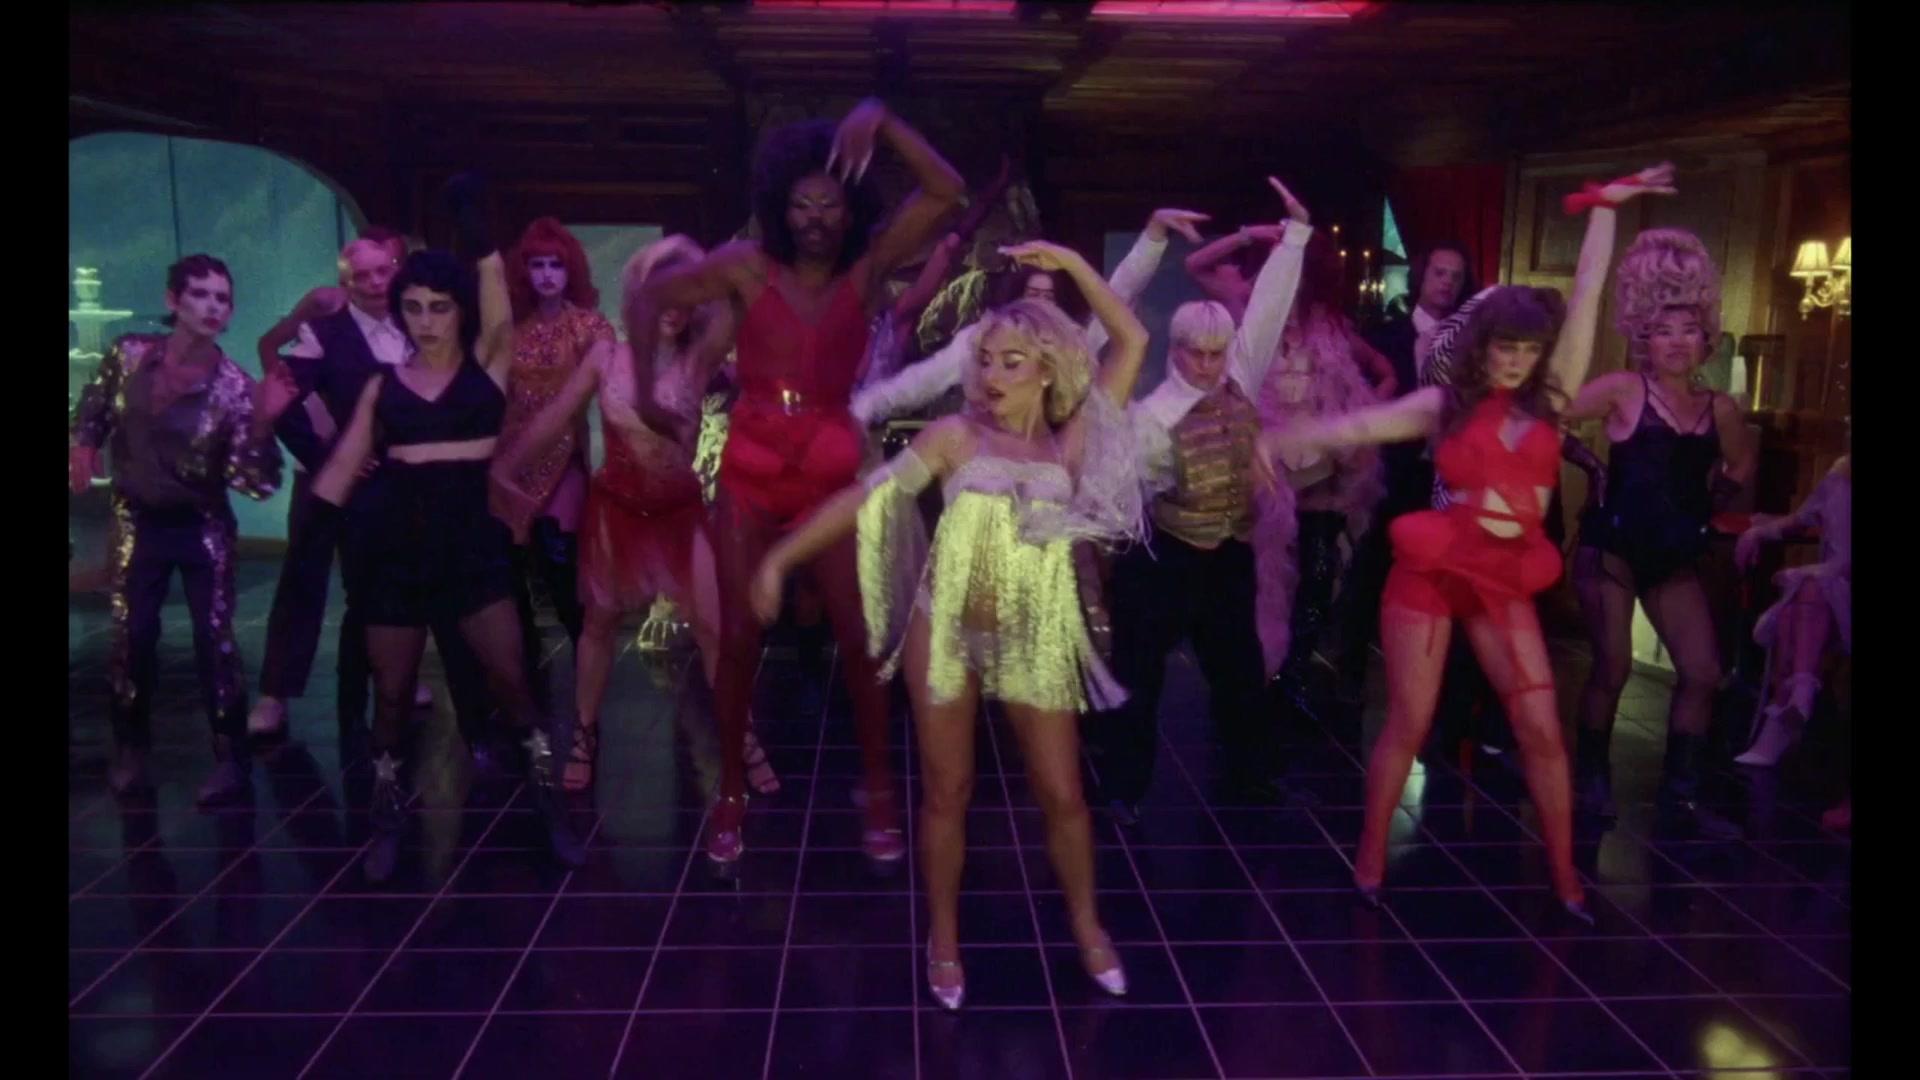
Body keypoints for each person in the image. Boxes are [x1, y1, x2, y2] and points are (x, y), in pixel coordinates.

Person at [1261, 163, 1676, 922]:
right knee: (1410, 721)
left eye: (1527, 349)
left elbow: (1587, 296)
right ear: (1482, 348)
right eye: (1504, 348)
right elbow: (1353, 427)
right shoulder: (1441, 405)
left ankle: (1567, 879)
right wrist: (1275, 439)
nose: (1515, 360)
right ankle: (1370, 860)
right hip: (1433, 569)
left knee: (1541, 728)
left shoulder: (1551, 401)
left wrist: (1604, 211)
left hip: (1503, 573)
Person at [749, 238, 1149, 1009]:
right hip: (946, 631)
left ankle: (1088, 926)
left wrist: (1068, 264)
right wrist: (780, 558)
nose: (991, 375)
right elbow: (863, 499)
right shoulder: (953, 437)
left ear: (1047, 369)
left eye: (1011, 362)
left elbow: (1131, 339)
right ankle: (942, 935)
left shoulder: (1073, 440)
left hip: (1034, 631)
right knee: (947, 791)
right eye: (985, 359)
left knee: (1063, 794)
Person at [624, 100, 964, 866]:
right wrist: (645, 393)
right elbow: (649, 298)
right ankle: (731, 794)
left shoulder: (868, 268)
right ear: (780, 205)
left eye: (829, 204)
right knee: (739, 640)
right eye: (802, 204)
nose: (814, 218)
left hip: (830, 470)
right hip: (750, 468)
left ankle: (880, 791)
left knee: (859, 637)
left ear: (851, 208)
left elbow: (947, 192)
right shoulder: (748, 267)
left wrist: (882, 122)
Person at [310, 178, 586, 883]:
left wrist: (473, 224)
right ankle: (386, 819)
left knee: (514, 684)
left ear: (459, 310)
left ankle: (549, 808)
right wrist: (312, 539)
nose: (426, 321)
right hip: (393, 557)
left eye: (438, 307)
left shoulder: (487, 369)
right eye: (412, 307)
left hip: (471, 555)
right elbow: (337, 476)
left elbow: (496, 304)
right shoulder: (383, 385)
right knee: (392, 697)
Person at [493, 237, 779, 795]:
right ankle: (584, 734)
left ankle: (741, 736)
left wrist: (689, 254)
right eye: (659, 294)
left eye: (683, 294)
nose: (672, 307)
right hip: (617, 509)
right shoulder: (606, 356)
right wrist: (505, 468)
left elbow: (742, 286)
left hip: (680, 511)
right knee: (599, 625)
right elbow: (555, 418)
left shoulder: (701, 356)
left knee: (715, 628)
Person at [1096, 179, 1311, 823]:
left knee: (1240, 672)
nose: (1211, 365)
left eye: (1219, 354)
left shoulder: (1239, 379)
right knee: (1138, 676)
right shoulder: (1153, 414)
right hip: (1164, 556)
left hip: (1228, 554)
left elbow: (1267, 308)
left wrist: (1295, 237)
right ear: (1178, 350)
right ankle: (1123, 788)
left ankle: (1251, 777)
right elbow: (1124, 492)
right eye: (1199, 354)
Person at [69, 254, 300, 802]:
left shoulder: (235, 388)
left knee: (213, 638)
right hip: (136, 516)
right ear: (174, 300)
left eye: (223, 299)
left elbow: (256, 483)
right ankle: (131, 747)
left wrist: (263, 422)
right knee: (133, 635)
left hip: (201, 524)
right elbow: (96, 403)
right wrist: (83, 443)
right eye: (200, 294)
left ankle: (230, 757)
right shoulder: (129, 355)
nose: (213, 307)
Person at [1565, 229, 1754, 836]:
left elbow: (1742, 465)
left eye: (1688, 330)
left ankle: (1681, 796)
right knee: (1613, 667)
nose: (1676, 341)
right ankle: (1591, 779)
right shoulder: (1625, 389)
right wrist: (1591, 465)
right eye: (1663, 330)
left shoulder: (1721, 408)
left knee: (1702, 672)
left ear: (1707, 340)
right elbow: (1548, 414)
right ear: (1644, 337)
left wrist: (1709, 505)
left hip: (1672, 557)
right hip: (1612, 551)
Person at [1337, 242, 1476, 708]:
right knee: (1371, 570)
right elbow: (1360, 398)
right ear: (1422, 276)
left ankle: (1444, 690)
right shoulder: (1385, 335)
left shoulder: (1472, 341)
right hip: (1393, 469)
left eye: (1455, 276)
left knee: (1447, 577)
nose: (1447, 282)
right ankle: (1349, 674)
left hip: (1449, 475)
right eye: (1440, 272)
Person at [495, 218, 615, 691]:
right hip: (510, 455)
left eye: (556, 265)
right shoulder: (510, 331)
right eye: (538, 265)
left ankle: (586, 663)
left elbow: (616, 389)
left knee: (560, 563)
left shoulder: (589, 326)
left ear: (571, 271)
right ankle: (526, 667)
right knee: (512, 568)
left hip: (565, 453)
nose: (546, 274)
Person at [1732, 438, 1849, 768]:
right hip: (1831, 590)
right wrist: (1758, 532)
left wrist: (1812, 571)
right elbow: (1802, 518)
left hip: (1842, 585)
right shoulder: (1841, 473)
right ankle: (1799, 699)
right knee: (1798, 606)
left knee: (1807, 592)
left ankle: (1788, 715)